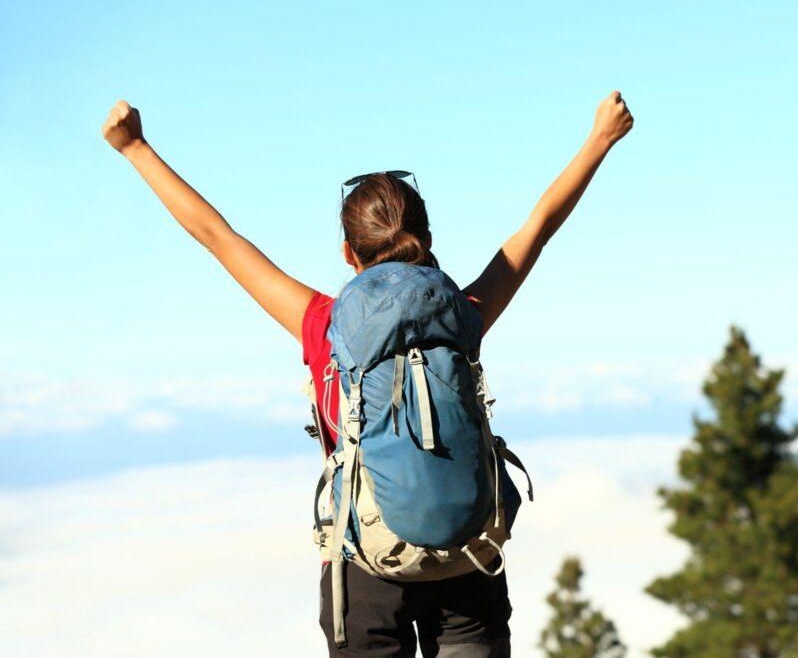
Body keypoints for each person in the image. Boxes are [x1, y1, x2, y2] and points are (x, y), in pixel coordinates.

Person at [102, 91, 634, 657]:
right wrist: (600, 138)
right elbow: (538, 228)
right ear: (426, 242)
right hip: (469, 558)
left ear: (348, 253)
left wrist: (135, 148)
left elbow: (218, 238)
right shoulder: (462, 316)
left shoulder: (322, 324)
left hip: (364, 569)